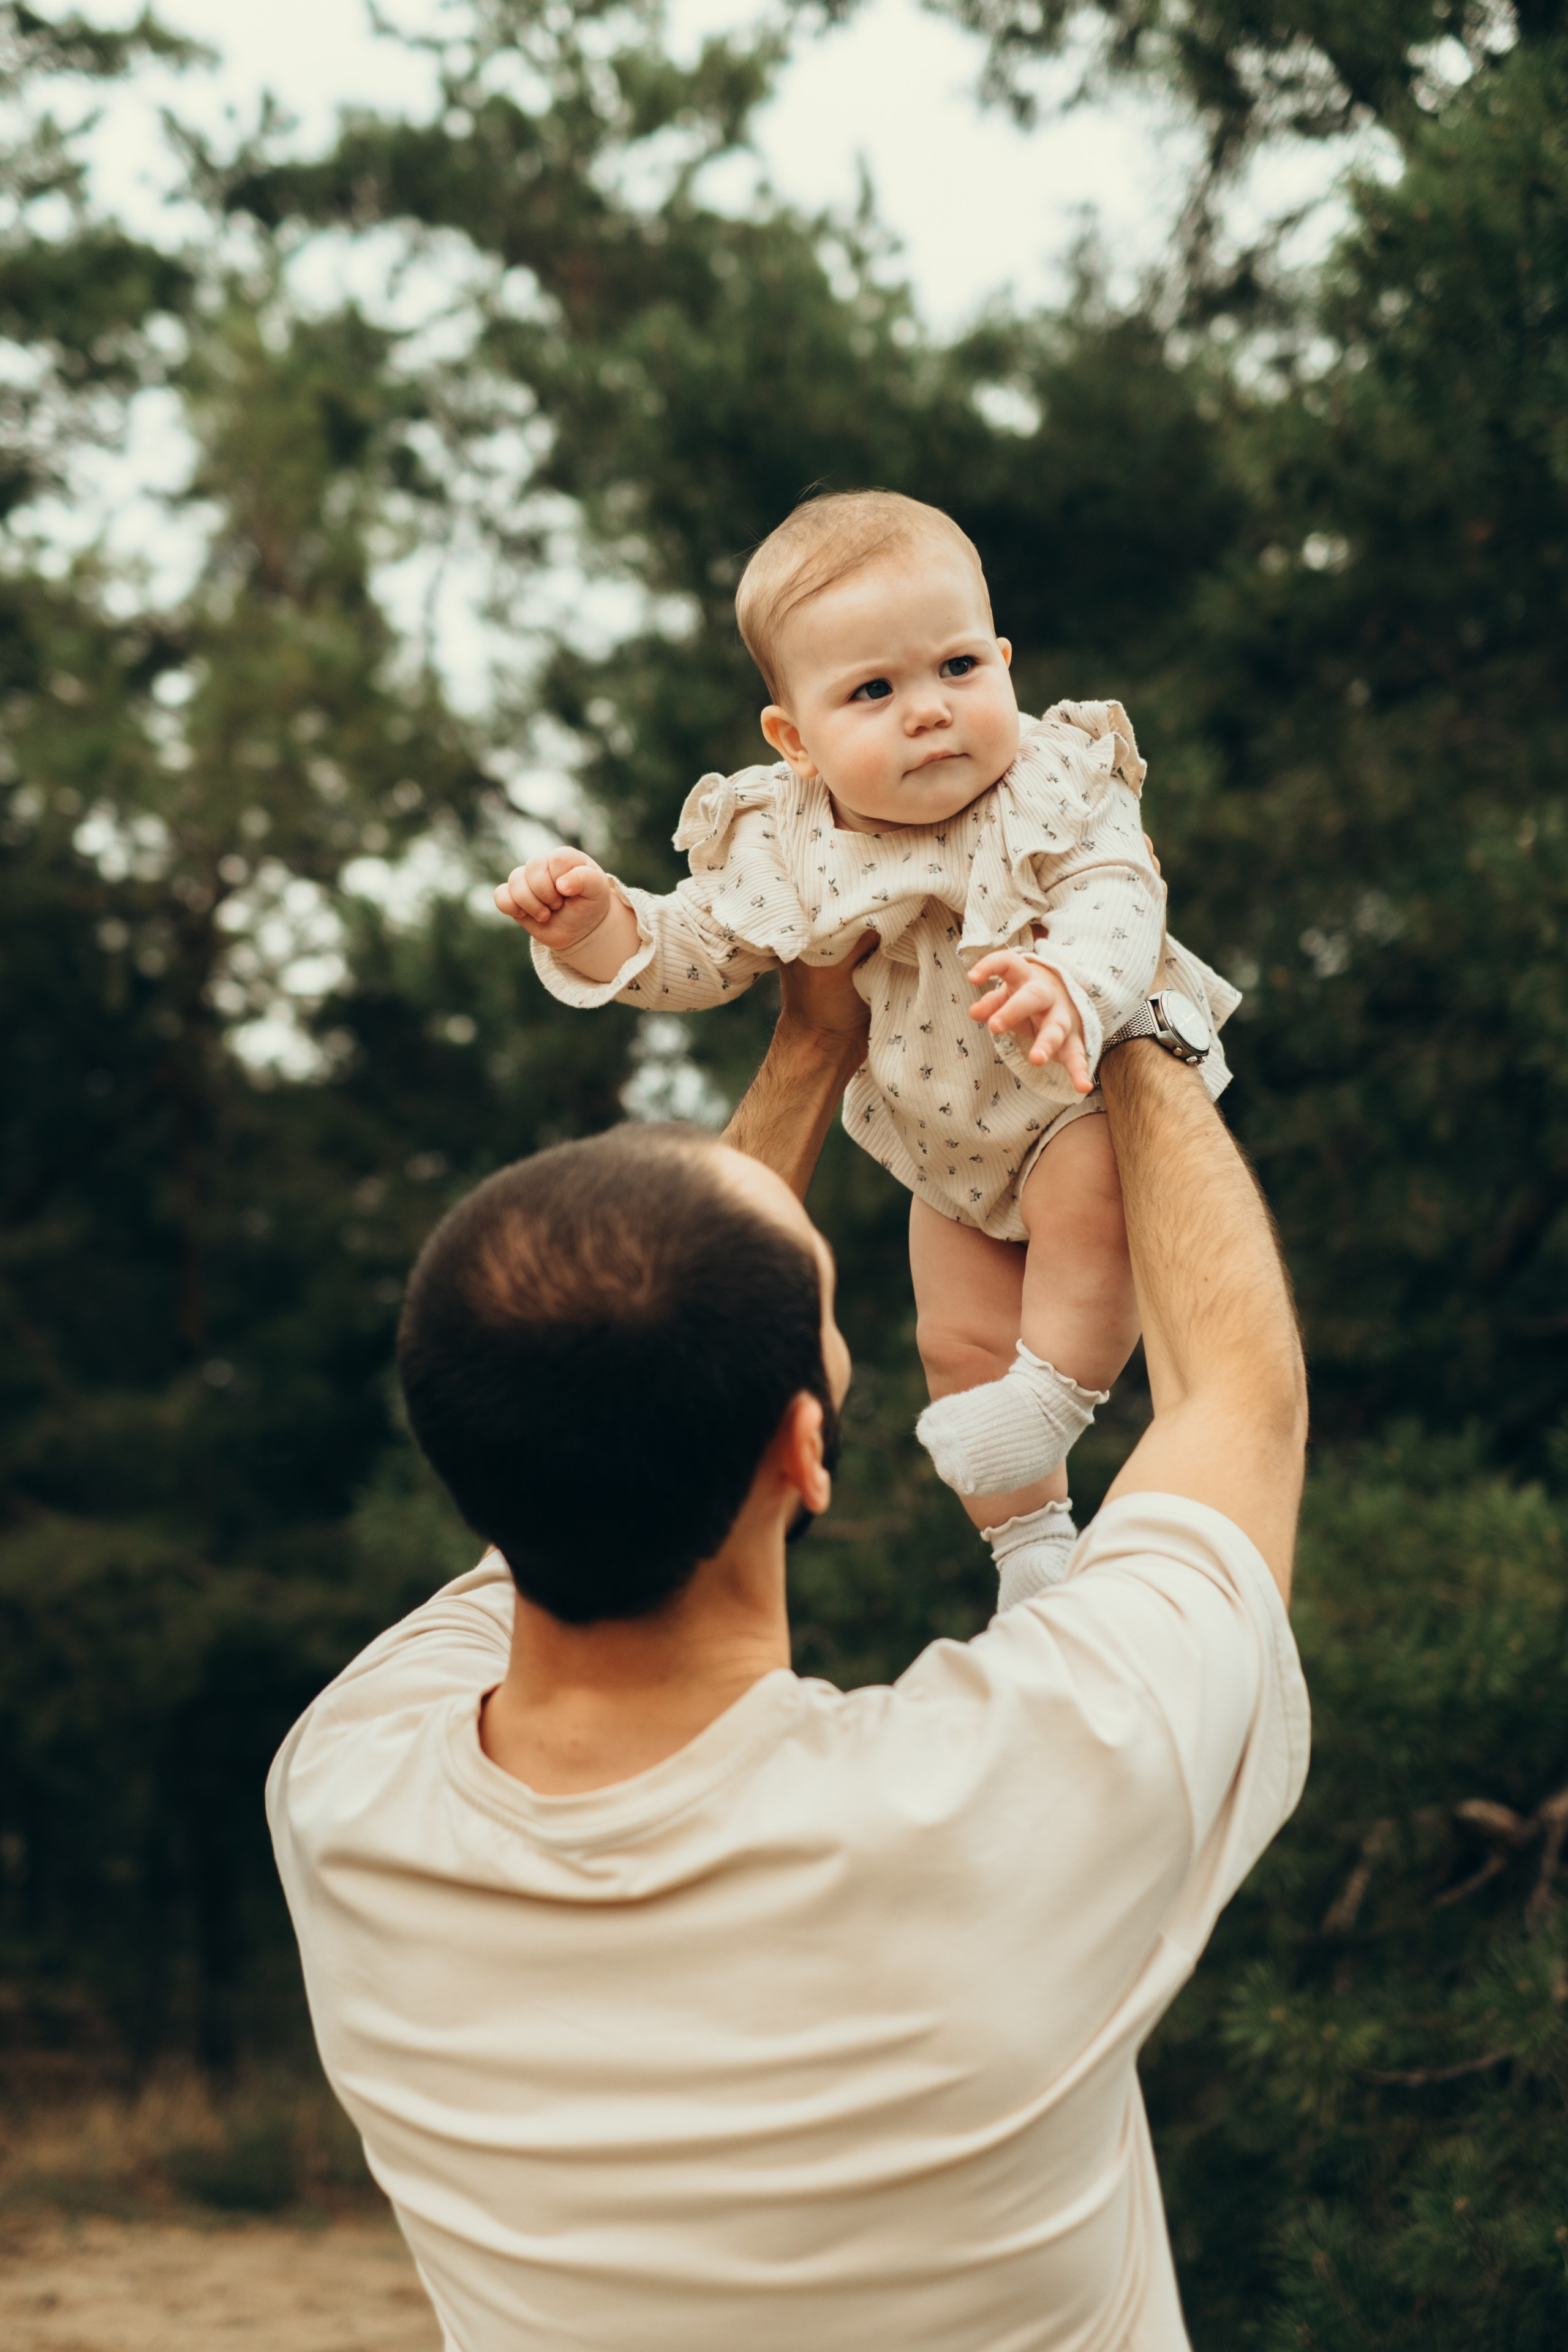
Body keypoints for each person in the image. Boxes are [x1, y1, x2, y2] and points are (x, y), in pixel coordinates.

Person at [266, 948, 1310, 2352]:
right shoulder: (1014, 1790)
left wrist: (814, 1045)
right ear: (804, 1454)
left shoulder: (346, 1794)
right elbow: (1233, 1399)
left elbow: (591, 1396)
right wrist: (1131, 1007)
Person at [493, 490, 1240, 1599]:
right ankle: (1030, 1548)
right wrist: (603, 924)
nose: (930, 712)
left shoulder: (1052, 778)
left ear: (1003, 661)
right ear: (795, 741)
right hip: (944, 1140)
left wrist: (1071, 982)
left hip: (1081, 1079)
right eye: (875, 692)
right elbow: (703, 953)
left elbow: (1122, 895)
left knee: (1087, 1211)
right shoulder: (793, 838)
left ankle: (1057, 1398)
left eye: (957, 669)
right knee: (953, 1345)